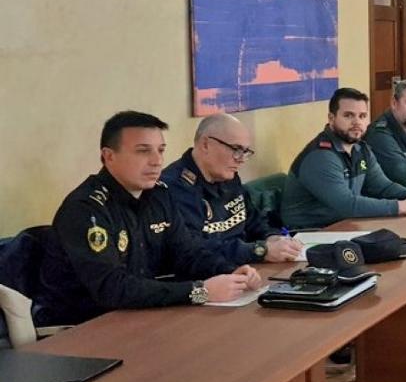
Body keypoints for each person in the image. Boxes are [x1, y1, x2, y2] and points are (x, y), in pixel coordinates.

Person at [35, 111, 262, 326]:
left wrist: (231, 271)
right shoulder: (86, 209)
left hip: (140, 314)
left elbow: (188, 253)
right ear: (109, 156)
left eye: (161, 150)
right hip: (83, 327)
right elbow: (113, 288)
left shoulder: (159, 195)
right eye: (143, 151)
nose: (156, 161)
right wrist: (199, 290)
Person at [281, 88, 406, 230]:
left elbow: (383, 187)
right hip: (309, 235)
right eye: (348, 115)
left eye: (362, 116)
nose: (357, 122)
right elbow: (347, 205)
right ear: (331, 118)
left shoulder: (360, 149)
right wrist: (402, 206)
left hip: (344, 226)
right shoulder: (320, 157)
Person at [162, 113, 303, 264]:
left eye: (245, 152)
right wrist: (260, 251)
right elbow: (196, 250)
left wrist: (272, 237)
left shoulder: (228, 175)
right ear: (205, 144)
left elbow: (254, 222)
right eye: (235, 149)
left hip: (244, 267)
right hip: (210, 278)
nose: (241, 159)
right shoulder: (174, 188)